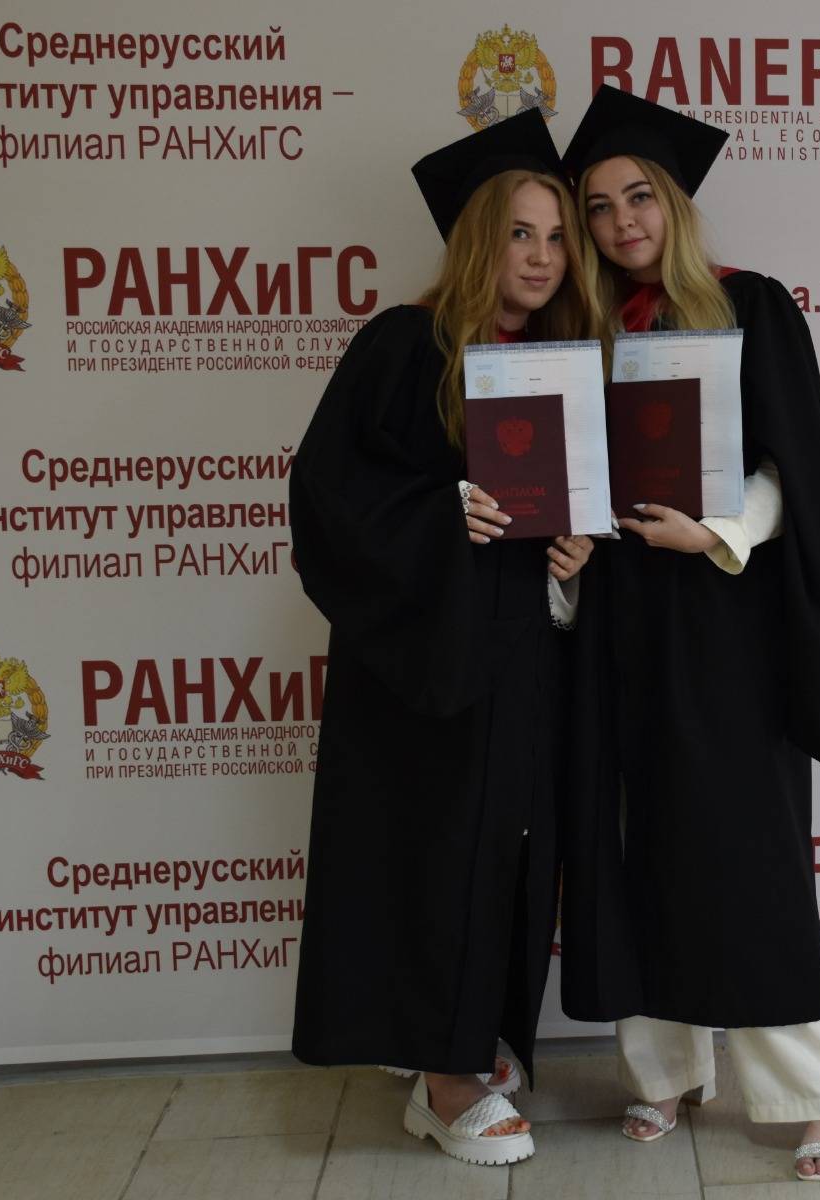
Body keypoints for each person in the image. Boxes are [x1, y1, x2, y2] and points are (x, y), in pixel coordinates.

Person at [557, 86, 820, 1183]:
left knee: (747, 850)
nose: (621, 222)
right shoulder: (580, 334)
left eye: (638, 196)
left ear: (676, 203)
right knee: (631, 841)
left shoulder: (751, 307)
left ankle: (819, 1095)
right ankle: (663, 1074)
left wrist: (717, 534)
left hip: (726, 611)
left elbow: (799, 473)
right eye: (598, 207)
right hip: (614, 616)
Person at [287, 108, 601, 1168]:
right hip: (423, 675)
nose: (542, 257)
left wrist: (571, 562)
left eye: (556, 237)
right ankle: (443, 1079)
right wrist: (440, 513)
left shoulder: (558, 362)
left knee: (506, 857)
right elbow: (329, 499)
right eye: (520, 234)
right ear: (477, 239)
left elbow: (565, 513)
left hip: (524, 661)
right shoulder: (401, 344)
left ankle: (469, 1039)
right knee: (435, 857)